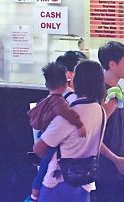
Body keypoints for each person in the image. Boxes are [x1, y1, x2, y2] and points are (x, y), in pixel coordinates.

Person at [32, 59, 107, 201]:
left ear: (76, 81)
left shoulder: (69, 114)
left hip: (58, 184)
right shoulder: (100, 111)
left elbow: (39, 148)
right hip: (84, 184)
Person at [28, 61, 85, 200]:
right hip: (50, 139)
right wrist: (79, 124)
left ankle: (34, 193)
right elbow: (66, 113)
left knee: (43, 166)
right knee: (45, 165)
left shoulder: (45, 100)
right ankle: (34, 194)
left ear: (47, 85)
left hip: (43, 133)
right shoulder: (59, 101)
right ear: (66, 84)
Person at [94, 41, 124, 201]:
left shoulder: (117, 90)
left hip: (119, 167)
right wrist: (114, 159)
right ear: (112, 64)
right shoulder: (98, 92)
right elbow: (92, 133)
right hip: (102, 169)